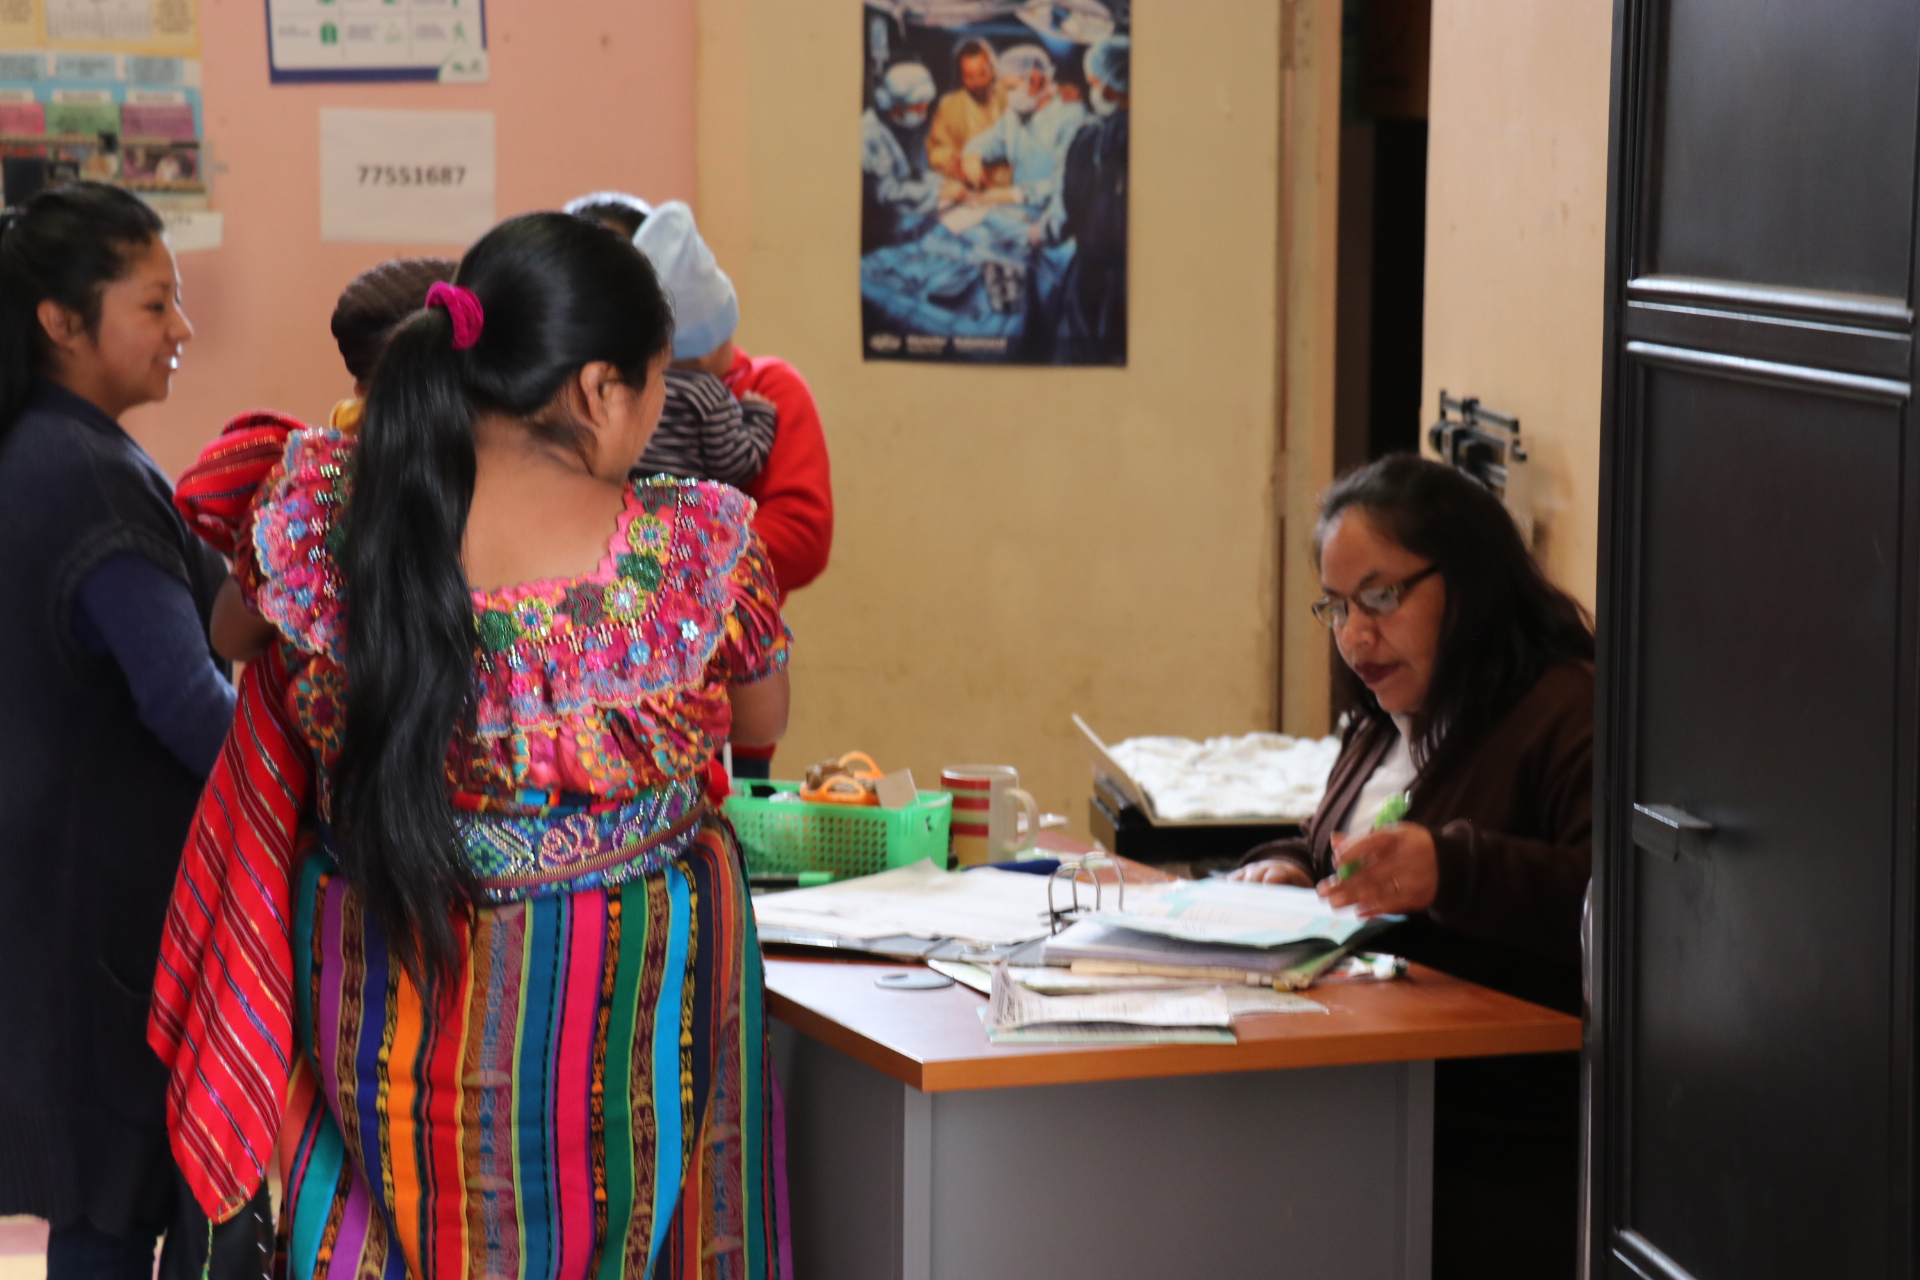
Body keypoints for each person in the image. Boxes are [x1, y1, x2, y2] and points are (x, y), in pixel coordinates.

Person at [157, 211, 793, 1278]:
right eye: (656, 384)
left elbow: (230, 632)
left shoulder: (332, 506)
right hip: (623, 999)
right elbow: (764, 722)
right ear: (598, 389)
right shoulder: (691, 545)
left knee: (387, 1224)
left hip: (379, 965)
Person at [1233, 455, 1592, 1278]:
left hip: (1488, 1137)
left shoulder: (1565, 712)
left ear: (1469, 584)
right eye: (1337, 606)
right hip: (1360, 1094)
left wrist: (1453, 871)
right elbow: (1324, 845)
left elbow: (1620, 907)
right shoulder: (1383, 722)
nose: (1355, 636)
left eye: (1382, 599)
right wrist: (1287, 869)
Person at [0, 181, 264, 1280]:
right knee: (108, 1215)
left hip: (57, 896)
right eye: (155, 305)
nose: (180, 332)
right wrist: (307, 792)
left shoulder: (51, 449)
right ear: (63, 321)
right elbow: (192, 705)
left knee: (93, 1212)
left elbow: (205, 617)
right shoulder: (90, 478)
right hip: (103, 914)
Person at [629, 201, 778, 487]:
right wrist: (759, 418)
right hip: (684, 519)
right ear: (707, 353)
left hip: (631, 519)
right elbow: (736, 464)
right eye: (728, 340)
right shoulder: (707, 392)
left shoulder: (635, 385)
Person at [1044, 34, 1129, 362]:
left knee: (1079, 368)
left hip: (1094, 280)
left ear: (1107, 86)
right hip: (1144, 279)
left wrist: (1043, 232)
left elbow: (1066, 215)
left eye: (1094, 82)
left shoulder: (1091, 138)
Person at [959, 45, 1087, 221]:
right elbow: (991, 140)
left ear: (1036, 81)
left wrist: (1014, 194)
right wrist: (972, 154)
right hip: (1020, 214)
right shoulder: (1015, 114)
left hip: (1056, 221)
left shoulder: (1071, 118)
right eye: (1005, 88)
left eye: (1012, 88)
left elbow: (1067, 183)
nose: (1009, 96)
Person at [861, 61, 941, 250]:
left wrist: (941, 182)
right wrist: (937, 192)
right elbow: (888, 192)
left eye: (925, 108)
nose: (922, 115)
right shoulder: (869, 134)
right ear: (896, 105)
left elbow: (911, 173)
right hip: (875, 239)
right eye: (917, 108)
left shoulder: (899, 127)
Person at [927, 37, 1009, 194]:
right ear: (961, 76)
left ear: (992, 69)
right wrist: (956, 162)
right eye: (970, 77)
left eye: (982, 74)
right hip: (969, 193)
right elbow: (935, 152)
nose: (977, 82)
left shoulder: (1009, 96)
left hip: (1008, 189)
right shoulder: (949, 106)